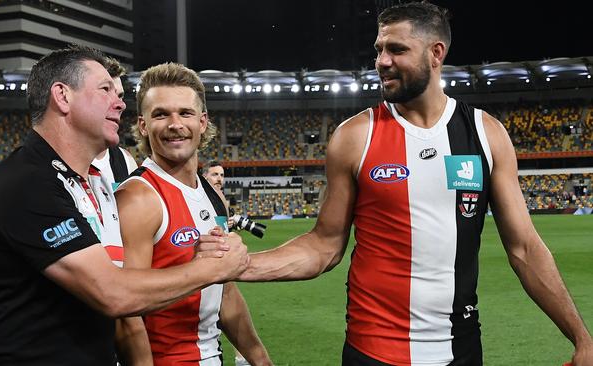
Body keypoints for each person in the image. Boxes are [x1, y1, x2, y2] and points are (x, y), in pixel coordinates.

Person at [228, 3, 593, 366]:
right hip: (373, 351)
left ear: (436, 53)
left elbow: (525, 249)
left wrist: (582, 339)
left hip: (462, 350)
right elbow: (324, 246)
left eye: (397, 49)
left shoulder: (486, 134)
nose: (382, 61)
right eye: (379, 50)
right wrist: (240, 265)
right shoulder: (355, 137)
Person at [0, 45, 248, 366]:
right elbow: (113, 293)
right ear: (63, 97)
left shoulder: (91, 182)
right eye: (105, 90)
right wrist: (211, 269)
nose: (120, 103)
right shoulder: (28, 182)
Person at [114, 62, 272, 366]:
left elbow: (226, 296)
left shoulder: (213, 196)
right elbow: (127, 314)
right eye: (161, 114)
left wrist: (261, 361)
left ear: (202, 122)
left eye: (185, 113)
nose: (175, 124)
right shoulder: (137, 198)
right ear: (143, 125)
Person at [201, 160, 252, 366]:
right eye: (214, 174)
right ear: (204, 176)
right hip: (203, 270)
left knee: (230, 313)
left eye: (222, 175)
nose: (219, 179)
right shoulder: (197, 196)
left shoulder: (221, 199)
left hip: (223, 271)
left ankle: (241, 359)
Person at [92, 56, 138, 193]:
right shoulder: (55, 163)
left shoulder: (126, 162)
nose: (121, 105)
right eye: (106, 91)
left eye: (120, 95)